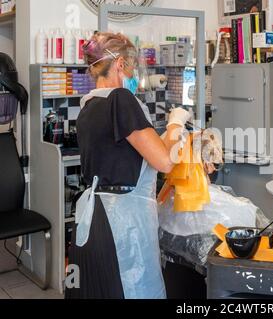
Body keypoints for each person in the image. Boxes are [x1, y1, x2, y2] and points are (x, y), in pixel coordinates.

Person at [65, 32, 191, 299]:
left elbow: (136, 149)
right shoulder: (120, 99)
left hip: (94, 217)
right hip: (123, 225)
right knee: (134, 290)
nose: (134, 74)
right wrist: (175, 122)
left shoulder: (89, 104)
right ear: (120, 64)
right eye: (132, 66)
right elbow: (164, 161)